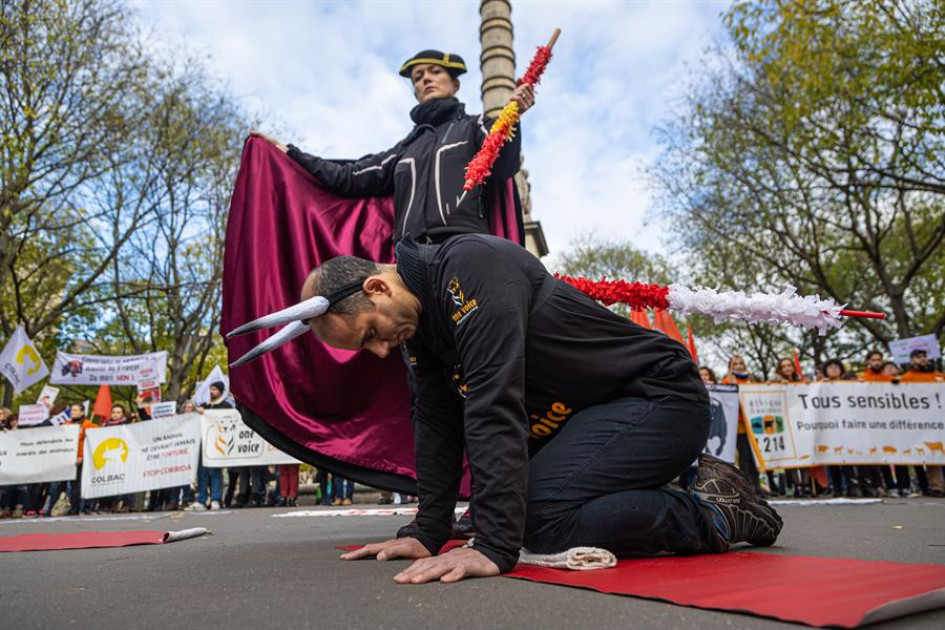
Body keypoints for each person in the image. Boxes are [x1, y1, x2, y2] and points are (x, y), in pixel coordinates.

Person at [275, 234, 782, 583]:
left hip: (659, 397)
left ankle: (713, 513)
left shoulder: (470, 267)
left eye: (370, 333)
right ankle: (662, 482)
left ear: (378, 287)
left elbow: (494, 405)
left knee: (535, 522)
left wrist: (495, 547)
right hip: (589, 420)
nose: (381, 351)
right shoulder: (419, 330)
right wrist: (427, 531)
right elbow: (435, 424)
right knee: (508, 513)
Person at [252, 50, 534, 245]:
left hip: (466, 244)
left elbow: (503, 165)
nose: (425, 79)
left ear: (455, 84)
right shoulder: (405, 149)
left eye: (435, 72)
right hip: (409, 258)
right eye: (418, 77)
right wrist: (291, 155)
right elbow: (349, 176)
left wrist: (513, 116)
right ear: (415, 91)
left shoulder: (476, 126)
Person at [899, 349, 945, 497]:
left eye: (924, 356)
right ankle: (935, 486)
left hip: (940, 419)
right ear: (912, 360)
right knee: (931, 453)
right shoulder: (908, 378)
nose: (923, 359)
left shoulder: (939, 376)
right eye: (918, 357)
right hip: (921, 421)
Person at [721, 355, 766, 496]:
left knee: (754, 458)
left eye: (741, 363)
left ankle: (757, 486)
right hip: (739, 424)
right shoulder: (726, 381)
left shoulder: (751, 380)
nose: (739, 366)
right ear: (730, 366)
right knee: (744, 456)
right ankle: (748, 488)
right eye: (735, 364)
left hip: (753, 424)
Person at [187, 383, 230, 511]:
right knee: (202, 473)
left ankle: (215, 499)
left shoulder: (225, 406)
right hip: (202, 444)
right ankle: (202, 499)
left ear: (220, 391)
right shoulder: (204, 405)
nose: (211, 391)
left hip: (216, 444)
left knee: (215, 472)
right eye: (210, 389)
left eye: (214, 389)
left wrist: (207, 413)